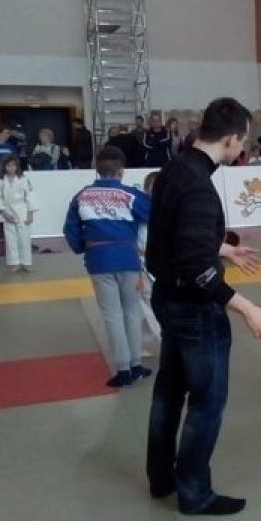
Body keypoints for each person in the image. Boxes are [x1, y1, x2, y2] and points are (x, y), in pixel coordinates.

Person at [145, 96, 261, 516]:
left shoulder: (174, 169)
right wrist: (247, 307)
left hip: (167, 298)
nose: (244, 148)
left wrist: (222, 248)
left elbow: (176, 237)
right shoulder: (199, 187)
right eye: (245, 141)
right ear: (233, 138)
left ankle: (161, 477)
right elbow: (197, 270)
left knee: (169, 391)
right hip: (194, 309)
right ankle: (194, 493)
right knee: (206, 401)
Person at [64, 146, 153, 388]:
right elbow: (155, 214)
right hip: (128, 258)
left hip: (98, 259)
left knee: (112, 315)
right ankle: (136, 365)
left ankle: (123, 370)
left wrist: (82, 247)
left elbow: (70, 229)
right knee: (132, 312)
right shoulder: (131, 195)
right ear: (121, 171)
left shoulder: (82, 196)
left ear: (97, 169)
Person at [0, 154, 38, 273]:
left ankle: (26, 263)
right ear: (4, 167)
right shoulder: (0, 180)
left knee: (24, 238)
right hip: (7, 211)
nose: (11, 168)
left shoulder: (23, 179)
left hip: (22, 210)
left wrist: (30, 213)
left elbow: (30, 196)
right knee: (10, 239)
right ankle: (15, 263)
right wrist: (3, 212)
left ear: (17, 166)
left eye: (14, 165)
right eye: (8, 165)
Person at [137, 171, 161, 356]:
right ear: (146, 190)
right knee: (149, 304)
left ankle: (139, 345)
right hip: (142, 263)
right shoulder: (137, 209)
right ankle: (165, 343)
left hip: (162, 264)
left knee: (147, 306)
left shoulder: (170, 208)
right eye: (154, 188)